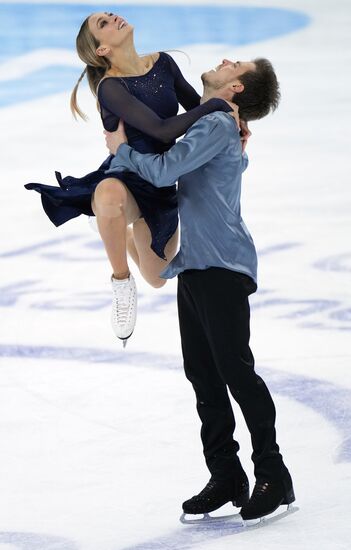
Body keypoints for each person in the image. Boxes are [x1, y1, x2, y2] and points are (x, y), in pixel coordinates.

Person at [104, 56, 295, 521]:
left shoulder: (216, 128)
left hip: (222, 266)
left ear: (233, 88)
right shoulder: (218, 122)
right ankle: (226, 474)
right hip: (199, 264)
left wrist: (119, 149)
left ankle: (273, 472)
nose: (226, 59)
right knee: (204, 376)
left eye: (236, 64)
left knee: (235, 371)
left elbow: (166, 169)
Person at [24, 11, 242, 345]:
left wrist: (232, 121)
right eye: (103, 24)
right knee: (109, 195)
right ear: (101, 50)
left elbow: (195, 111)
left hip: (162, 181)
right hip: (127, 172)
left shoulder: (164, 63)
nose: (113, 17)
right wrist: (218, 106)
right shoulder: (110, 87)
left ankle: (118, 232)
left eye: (110, 15)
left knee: (157, 279)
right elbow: (162, 128)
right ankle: (121, 280)